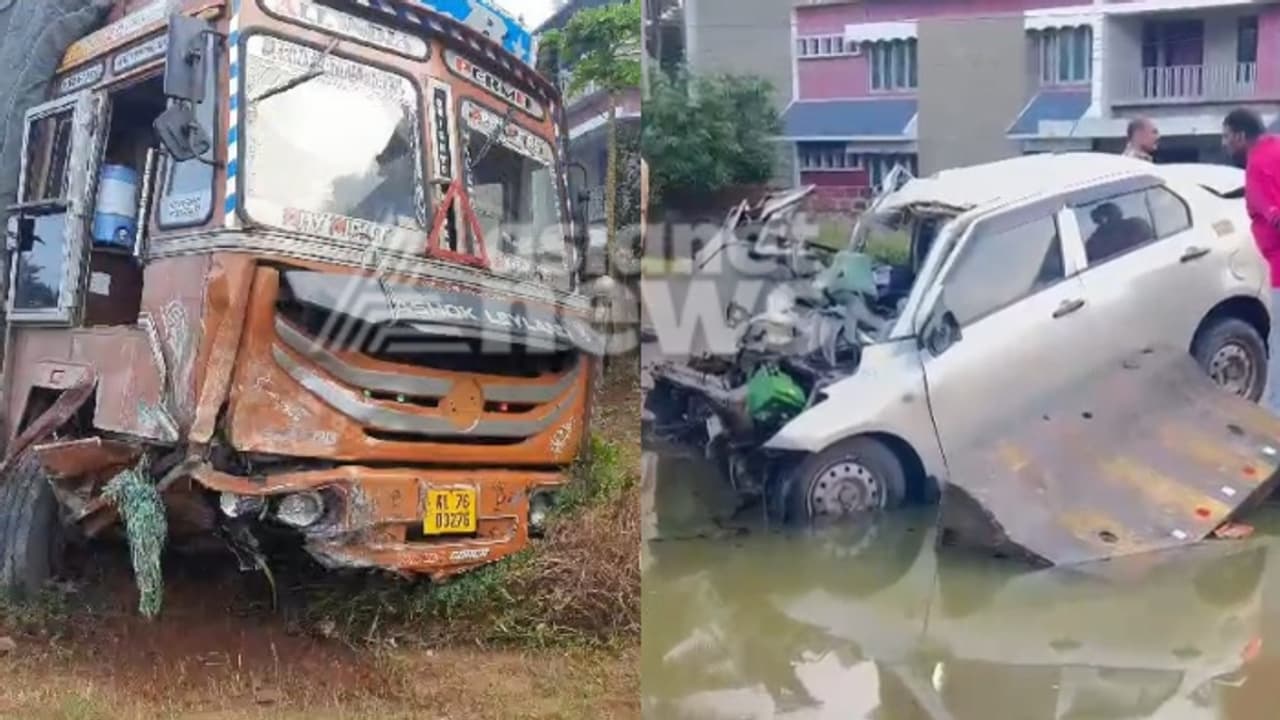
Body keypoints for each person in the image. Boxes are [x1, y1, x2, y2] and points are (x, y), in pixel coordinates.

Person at [1223, 108, 1280, 413]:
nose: (1224, 143)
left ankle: (1276, 418)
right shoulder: (1277, 147)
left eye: (1227, 136)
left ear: (1241, 136)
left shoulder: (1258, 165)